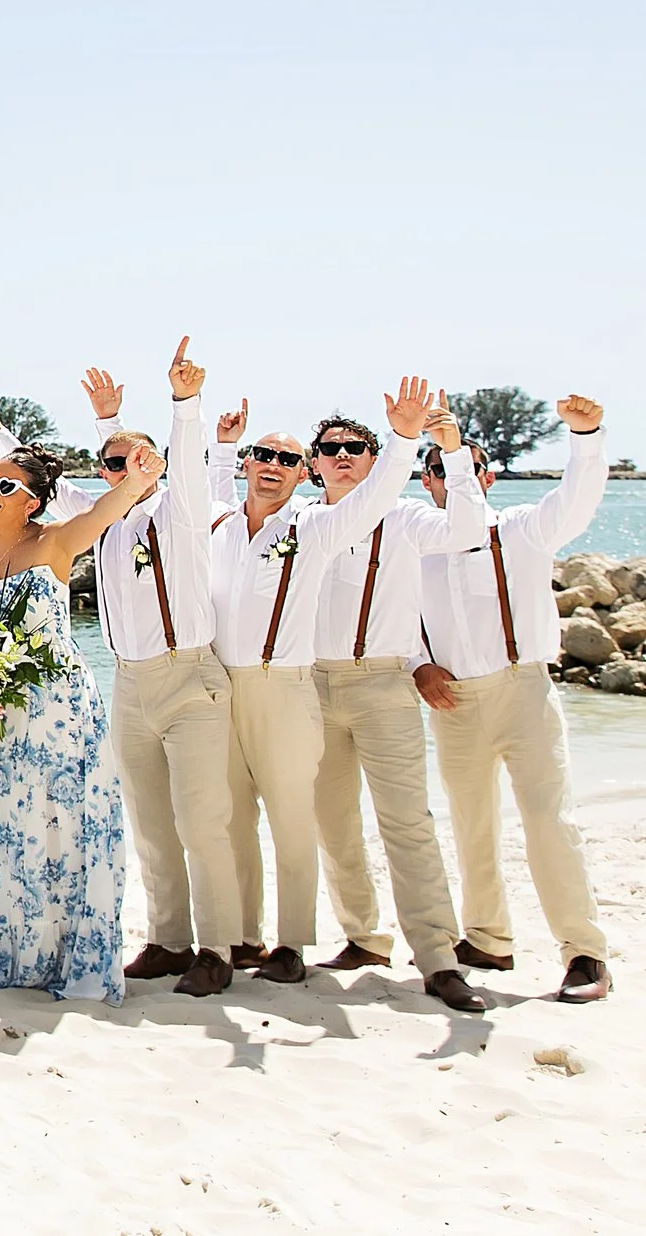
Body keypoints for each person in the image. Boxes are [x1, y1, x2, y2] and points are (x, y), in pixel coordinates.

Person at [0, 341, 240, 997]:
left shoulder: (183, 509)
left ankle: (219, 949)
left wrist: (184, 403)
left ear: (156, 466)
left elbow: (169, 472)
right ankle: (170, 941)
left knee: (201, 817)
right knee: (148, 820)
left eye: (134, 461)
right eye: (112, 461)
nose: (122, 469)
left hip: (190, 674)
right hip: (129, 680)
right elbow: (39, 486)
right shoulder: (99, 518)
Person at [209, 379, 436, 985]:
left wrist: (403, 438)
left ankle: (294, 943)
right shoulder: (222, 527)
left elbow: (374, 499)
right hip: (224, 690)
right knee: (232, 819)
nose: (274, 466)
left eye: (286, 459)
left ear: (297, 472)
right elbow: (200, 494)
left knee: (294, 818)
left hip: (291, 687)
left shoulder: (313, 527)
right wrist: (222, 446)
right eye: (266, 455)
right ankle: (241, 937)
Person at [0, 440, 164, 1002]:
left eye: (8, 486)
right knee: (6, 831)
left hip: (61, 709)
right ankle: (9, 959)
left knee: (64, 829)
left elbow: (102, 511)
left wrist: (137, 479)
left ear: (35, 503)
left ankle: (72, 961)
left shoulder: (56, 542)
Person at [416, 396, 614, 1003]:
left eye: (466, 469)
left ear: (487, 477)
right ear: (428, 482)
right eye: (442, 470)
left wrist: (585, 436)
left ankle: (584, 954)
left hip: (523, 691)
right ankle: (488, 939)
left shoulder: (525, 527)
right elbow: (395, 621)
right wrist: (417, 665)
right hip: (453, 704)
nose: (455, 479)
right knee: (471, 825)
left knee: (549, 821)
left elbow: (578, 499)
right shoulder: (416, 540)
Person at [303, 404, 489, 1012]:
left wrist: (453, 452)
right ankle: (363, 938)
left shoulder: (406, 517)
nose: (342, 456)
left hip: (383, 686)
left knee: (407, 823)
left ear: (377, 461)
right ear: (314, 464)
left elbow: (467, 531)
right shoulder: (299, 522)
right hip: (310, 687)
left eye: (356, 447)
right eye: (330, 448)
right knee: (332, 824)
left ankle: (438, 958)